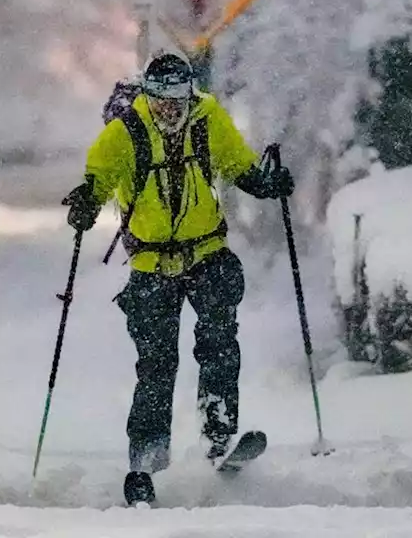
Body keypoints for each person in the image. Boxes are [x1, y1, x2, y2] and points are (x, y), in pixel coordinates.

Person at [63, 52, 294, 505]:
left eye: (180, 100)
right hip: (151, 266)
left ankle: (219, 434)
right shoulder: (122, 134)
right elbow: (98, 180)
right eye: (163, 101)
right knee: (156, 365)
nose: (172, 110)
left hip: (207, 253)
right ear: (149, 97)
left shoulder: (208, 119)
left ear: (190, 95)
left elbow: (237, 164)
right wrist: (87, 202)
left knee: (220, 346)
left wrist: (264, 183)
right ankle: (147, 456)